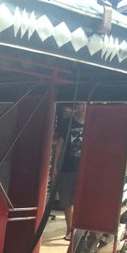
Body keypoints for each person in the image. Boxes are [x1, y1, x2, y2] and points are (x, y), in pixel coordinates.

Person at [53, 102, 86, 241]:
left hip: (85, 168)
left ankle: (81, 231)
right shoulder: (67, 122)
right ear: (77, 106)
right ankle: (70, 230)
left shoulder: (94, 122)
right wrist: (55, 166)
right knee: (67, 201)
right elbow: (59, 144)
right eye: (81, 105)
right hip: (67, 167)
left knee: (82, 201)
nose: (83, 108)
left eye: (86, 105)